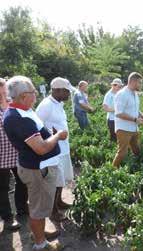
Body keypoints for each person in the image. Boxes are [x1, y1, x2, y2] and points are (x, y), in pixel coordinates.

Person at [3, 76, 67, 251]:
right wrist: (58, 135)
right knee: (38, 209)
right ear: (23, 96)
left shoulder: (24, 111)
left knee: (39, 206)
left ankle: (38, 234)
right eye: (33, 92)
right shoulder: (18, 118)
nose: (36, 96)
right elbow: (41, 148)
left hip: (39, 167)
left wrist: (50, 134)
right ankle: (41, 244)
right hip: (37, 169)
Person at [36, 77, 75, 222]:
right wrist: (51, 134)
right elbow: (37, 127)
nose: (68, 94)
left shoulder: (58, 103)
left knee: (61, 178)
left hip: (62, 148)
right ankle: (53, 211)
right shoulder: (46, 105)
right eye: (66, 91)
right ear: (57, 90)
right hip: (53, 150)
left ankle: (59, 202)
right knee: (53, 181)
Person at [0, 78, 28, 231]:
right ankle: (7, 217)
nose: (2, 96)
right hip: (0, 156)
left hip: (17, 152)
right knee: (2, 188)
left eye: (4, 92)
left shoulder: (13, 105)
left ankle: (22, 209)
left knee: (22, 181)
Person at [112, 72, 143, 167]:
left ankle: (136, 168)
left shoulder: (134, 94)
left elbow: (133, 107)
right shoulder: (122, 94)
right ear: (133, 82)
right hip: (124, 129)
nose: (141, 85)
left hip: (133, 128)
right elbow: (119, 113)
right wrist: (135, 119)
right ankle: (113, 170)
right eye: (139, 82)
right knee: (122, 153)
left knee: (136, 149)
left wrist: (141, 114)